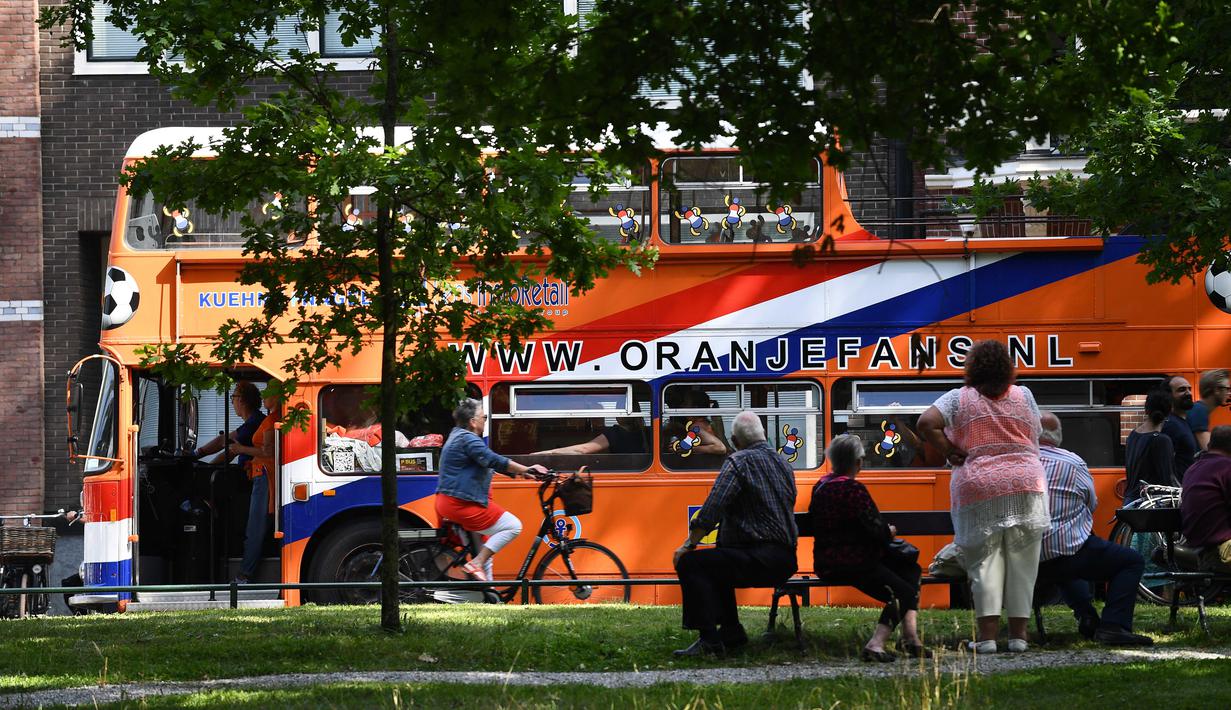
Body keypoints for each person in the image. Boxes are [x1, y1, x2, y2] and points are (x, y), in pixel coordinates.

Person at [917, 340, 1049, 654]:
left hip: (980, 486)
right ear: (1007, 367)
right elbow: (1037, 431)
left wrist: (950, 449)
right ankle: (1019, 638)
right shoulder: (1024, 395)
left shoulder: (957, 399)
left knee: (985, 563)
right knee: (1023, 564)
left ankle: (987, 638)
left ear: (972, 367)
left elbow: (924, 423)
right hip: (1026, 484)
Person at [672, 411, 798, 657]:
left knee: (692, 564)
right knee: (719, 560)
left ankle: (709, 639)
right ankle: (731, 632)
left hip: (760, 557)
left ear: (734, 440)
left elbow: (712, 509)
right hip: (786, 559)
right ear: (763, 434)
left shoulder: (738, 461)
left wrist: (688, 545)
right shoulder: (783, 463)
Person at [1035, 412, 1153, 645]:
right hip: (1065, 555)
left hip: (1024, 558)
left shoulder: (1017, 462)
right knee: (1129, 560)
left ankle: (1087, 615)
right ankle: (1113, 626)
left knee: (1059, 551)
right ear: (1058, 436)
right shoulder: (1072, 462)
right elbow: (1092, 503)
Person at [810, 434, 930, 661]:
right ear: (858, 462)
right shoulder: (854, 490)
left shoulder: (821, 487)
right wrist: (890, 531)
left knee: (911, 570)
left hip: (827, 562)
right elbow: (877, 532)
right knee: (903, 592)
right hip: (855, 562)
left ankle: (910, 638)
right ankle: (875, 645)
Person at [434, 398, 549, 582]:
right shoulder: (467, 439)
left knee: (486, 552)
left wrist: (523, 473)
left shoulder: (457, 436)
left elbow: (489, 463)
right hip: (461, 504)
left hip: (451, 502)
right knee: (513, 526)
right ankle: (476, 563)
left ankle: (489, 596)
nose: (485, 421)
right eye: (484, 417)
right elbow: (493, 459)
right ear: (473, 421)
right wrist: (525, 469)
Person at [227, 389, 282, 584]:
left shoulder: (273, 420)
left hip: (264, 477)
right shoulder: (272, 418)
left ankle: (244, 575)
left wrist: (241, 449)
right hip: (262, 475)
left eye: (270, 391)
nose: (265, 395)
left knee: (255, 526)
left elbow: (268, 451)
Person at [1180, 425, 1231, 573]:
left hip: (1195, 543)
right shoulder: (1226, 467)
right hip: (1219, 547)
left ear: (1210, 445)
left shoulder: (1193, 468)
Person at [192, 381, 265, 467]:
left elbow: (229, 453)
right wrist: (196, 454)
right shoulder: (255, 419)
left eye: (233, 397)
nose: (232, 402)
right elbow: (223, 440)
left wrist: (207, 468)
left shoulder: (253, 423)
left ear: (241, 399)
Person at [1124, 391, 1178, 503]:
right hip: (1151, 505)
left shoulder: (1133, 435)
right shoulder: (1162, 440)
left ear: (1146, 410)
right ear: (1169, 413)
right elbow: (1168, 481)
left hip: (1131, 502)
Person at [531, 417, 647, 456]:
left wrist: (549, 452)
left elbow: (583, 449)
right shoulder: (647, 431)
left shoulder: (615, 432)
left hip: (624, 474)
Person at [1161, 375, 1199, 480]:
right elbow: (1165, 465)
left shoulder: (1182, 422)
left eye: (1189, 389)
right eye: (1182, 390)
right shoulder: (1170, 425)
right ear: (1169, 396)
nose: (1188, 393)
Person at [1190, 369, 1231, 451]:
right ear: (1216, 390)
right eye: (1227, 389)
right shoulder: (1199, 410)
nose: (1229, 393)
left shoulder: (1199, 409)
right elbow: (1208, 449)